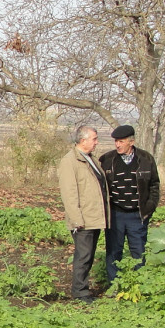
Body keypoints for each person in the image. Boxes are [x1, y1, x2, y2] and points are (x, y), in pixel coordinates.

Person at [99, 124, 161, 282]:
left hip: (137, 215)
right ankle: (114, 285)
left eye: (121, 141)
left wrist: (149, 207)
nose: (117, 145)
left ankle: (139, 285)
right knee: (114, 251)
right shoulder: (107, 160)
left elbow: (154, 184)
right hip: (115, 214)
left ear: (131, 142)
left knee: (139, 252)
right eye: (116, 142)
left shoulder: (146, 159)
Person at [57, 124, 109, 303]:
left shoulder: (90, 159)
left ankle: (82, 290)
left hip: (93, 217)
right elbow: (69, 194)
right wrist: (77, 219)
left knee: (89, 254)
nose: (96, 142)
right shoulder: (69, 161)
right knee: (83, 256)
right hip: (83, 220)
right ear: (83, 140)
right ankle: (80, 292)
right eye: (94, 139)